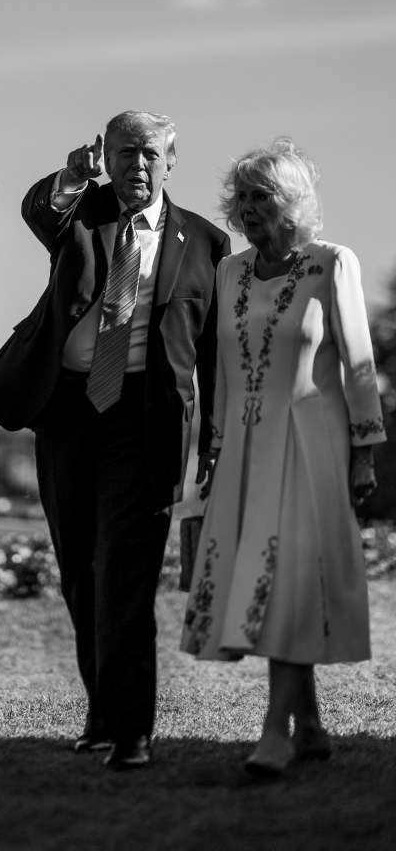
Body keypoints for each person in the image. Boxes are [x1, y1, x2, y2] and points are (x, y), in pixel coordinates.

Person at [0, 111, 229, 769]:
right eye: (122, 153)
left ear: (171, 160)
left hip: (144, 420)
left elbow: (211, 352)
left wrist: (219, 435)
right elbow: (39, 211)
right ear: (104, 156)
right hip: (67, 412)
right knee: (80, 572)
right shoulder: (81, 215)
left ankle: (132, 729)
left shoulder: (206, 243)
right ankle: (101, 708)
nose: (135, 166)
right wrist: (69, 177)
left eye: (147, 154)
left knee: (127, 578)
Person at [181, 138, 386, 777]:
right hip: (244, 450)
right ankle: (313, 726)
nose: (246, 208)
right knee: (268, 585)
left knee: (289, 585)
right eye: (240, 196)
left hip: (310, 447)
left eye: (260, 196)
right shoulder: (229, 272)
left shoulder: (332, 264)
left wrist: (364, 451)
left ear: (293, 201)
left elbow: (358, 364)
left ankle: (275, 735)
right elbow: (219, 371)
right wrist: (212, 448)